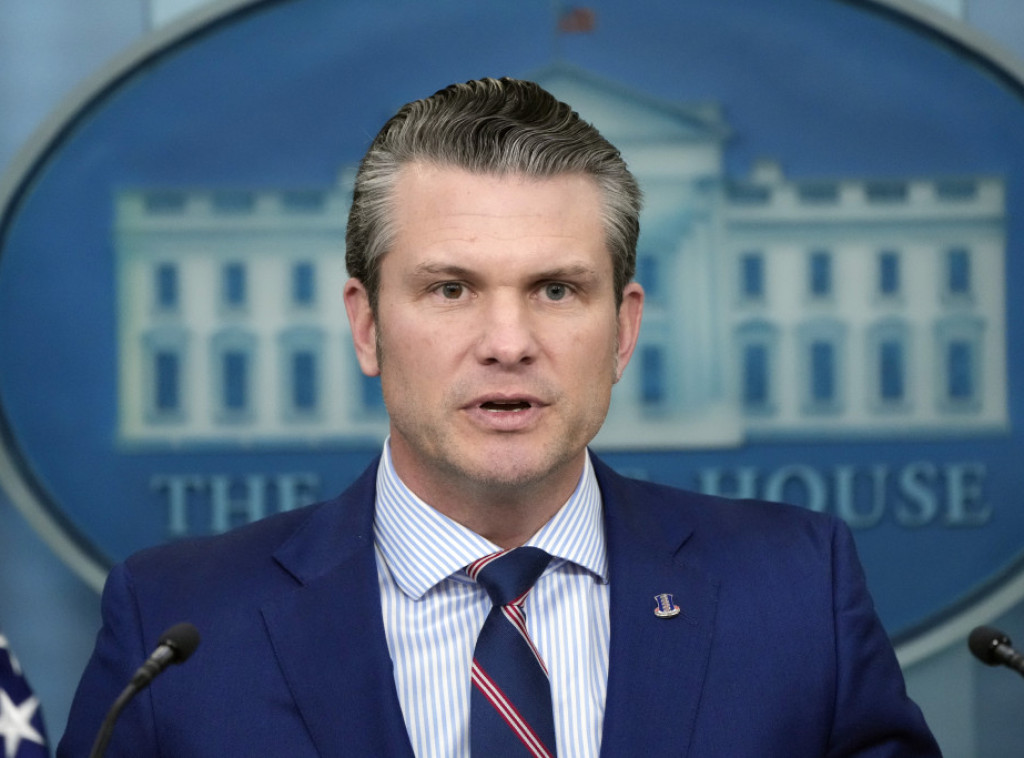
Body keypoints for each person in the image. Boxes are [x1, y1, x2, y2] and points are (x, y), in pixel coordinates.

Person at [58, 77, 941, 757]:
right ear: (366, 327)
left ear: (623, 329)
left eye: (556, 290)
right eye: (451, 290)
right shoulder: (177, 626)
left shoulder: (797, 594)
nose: (509, 343)